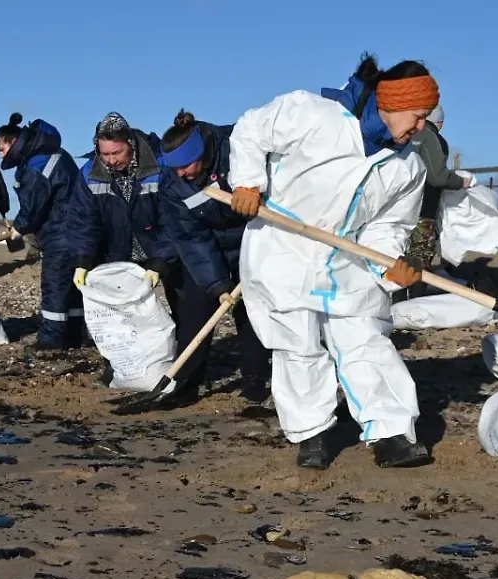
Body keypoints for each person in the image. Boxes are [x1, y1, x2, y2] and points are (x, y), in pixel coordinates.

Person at [227, 53, 438, 470]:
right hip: (284, 247)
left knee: (365, 339)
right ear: (391, 104)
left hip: (347, 257)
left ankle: (391, 433)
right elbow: (250, 129)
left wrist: (389, 263)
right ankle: (312, 434)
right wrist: (249, 181)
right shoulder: (313, 114)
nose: (420, 128)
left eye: (425, 118)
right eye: (416, 117)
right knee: (297, 346)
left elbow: (389, 224)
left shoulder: (408, 166)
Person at [154, 111, 271, 408]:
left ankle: (256, 383)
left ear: (202, 155)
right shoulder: (173, 183)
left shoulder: (238, 149)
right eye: (175, 168)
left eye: (185, 165)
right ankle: (185, 384)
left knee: (252, 313)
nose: (181, 173)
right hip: (210, 245)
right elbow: (190, 237)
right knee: (195, 311)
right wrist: (217, 284)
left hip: (255, 235)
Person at [0, 112, 95, 351]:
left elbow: (34, 205)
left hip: (60, 232)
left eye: (1, 148)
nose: (1, 154)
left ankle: (51, 339)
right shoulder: (50, 153)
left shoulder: (36, 165)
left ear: (12, 141)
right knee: (72, 288)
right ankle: (74, 334)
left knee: (55, 285)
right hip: (77, 230)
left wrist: (19, 227)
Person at [405, 105, 473, 280]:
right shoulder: (433, 138)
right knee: (418, 263)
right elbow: (438, 176)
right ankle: (412, 301)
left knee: (397, 257)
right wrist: (459, 182)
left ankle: (395, 299)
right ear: (439, 123)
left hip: (399, 207)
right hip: (423, 208)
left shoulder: (402, 133)